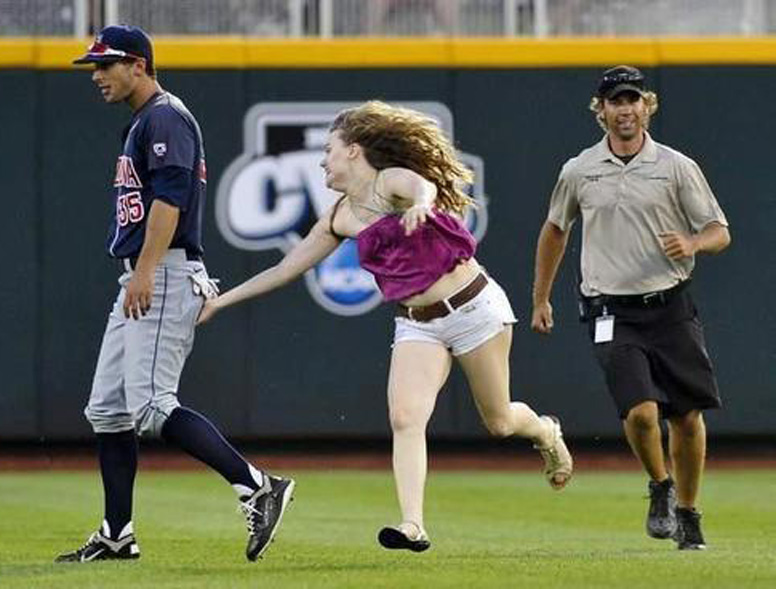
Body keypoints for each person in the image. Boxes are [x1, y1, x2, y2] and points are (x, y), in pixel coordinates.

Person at [199, 100, 573, 552]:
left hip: (473, 309)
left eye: (329, 150)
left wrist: (421, 204)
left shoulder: (387, 181)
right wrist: (221, 302)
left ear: (354, 151)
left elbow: (421, 187)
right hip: (418, 324)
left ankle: (546, 432)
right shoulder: (338, 217)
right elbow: (285, 269)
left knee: (499, 422)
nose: (323, 161)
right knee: (405, 418)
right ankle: (413, 524)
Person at [57, 24, 294, 564]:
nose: (96, 75)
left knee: (151, 405)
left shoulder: (164, 116)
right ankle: (117, 534)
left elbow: (170, 201)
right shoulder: (144, 120)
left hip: (162, 271)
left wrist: (144, 270)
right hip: (145, 272)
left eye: (106, 64)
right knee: (108, 410)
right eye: (94, 66)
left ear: (138, 65)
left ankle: (257, 486)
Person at [531, 65, 730, 550]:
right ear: (600, 111)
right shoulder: (580, 169)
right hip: (610, 310)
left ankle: (688, 513)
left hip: (670, 304)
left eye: (633, 99)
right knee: (641, 414)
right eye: (615, 101)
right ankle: (660, 485)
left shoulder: (676, 166)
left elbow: (719, 231)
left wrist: (693, 242)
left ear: (648, 106)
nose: (625, 109)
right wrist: (540, 297)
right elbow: (556, 229)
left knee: (686, 417)